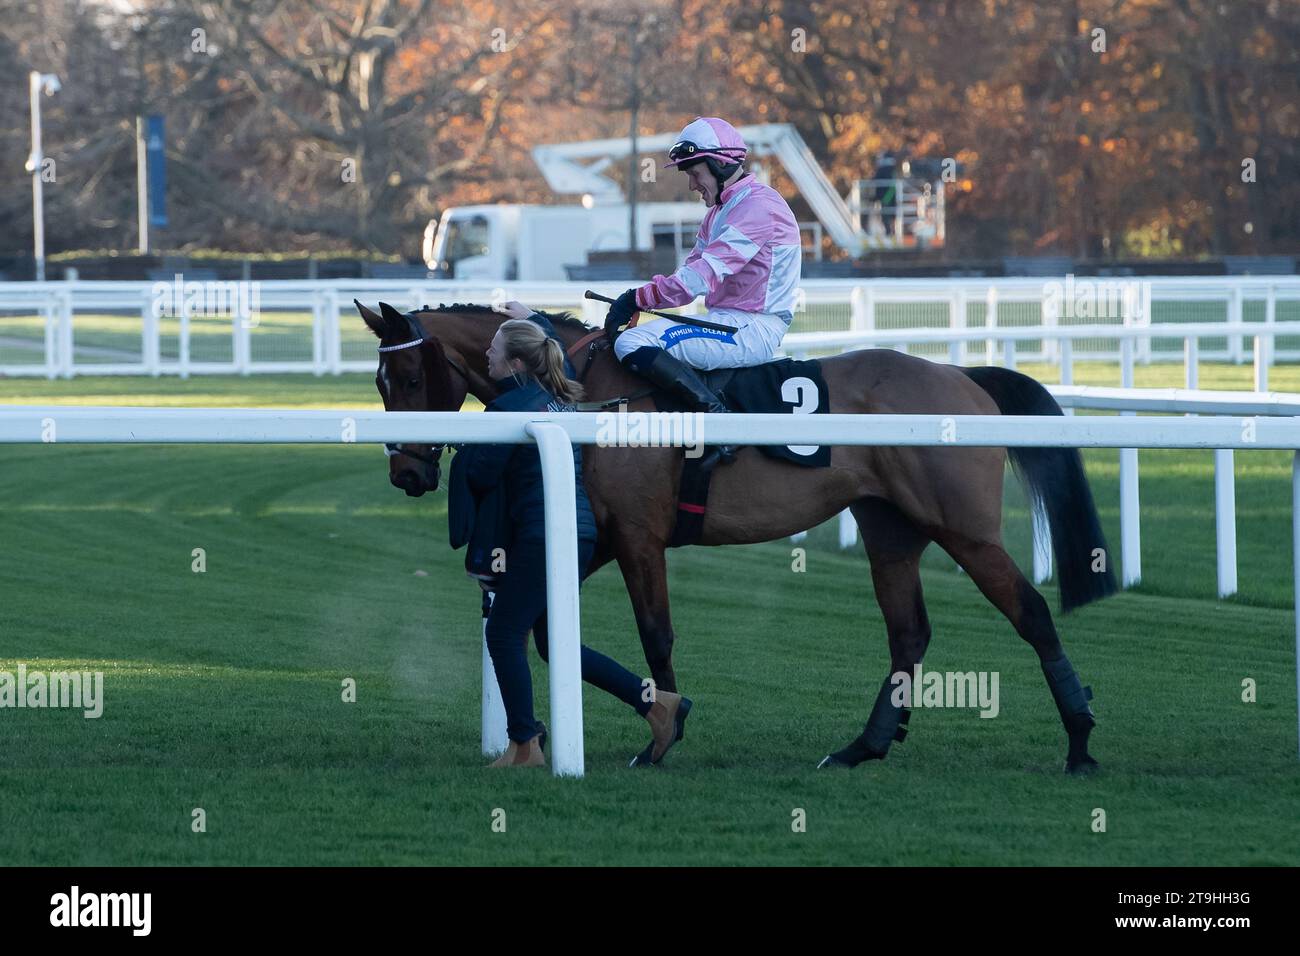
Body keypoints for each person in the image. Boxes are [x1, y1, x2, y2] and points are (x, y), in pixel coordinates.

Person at [454, 312, 691, 767]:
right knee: (553, 642)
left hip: (540, 537)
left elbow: (482, 474)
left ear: (517, 364)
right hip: (576, 534)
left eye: (495, 350)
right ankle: (656, 704)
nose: (486, 352)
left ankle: (525, 744)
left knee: (504, 634)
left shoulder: (507, 409)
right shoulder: (561, 402)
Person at [602, 117, 803, 459]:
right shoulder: (721, 211)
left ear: (721, 165)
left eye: (696, 174)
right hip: (727, 320)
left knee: (633, 341)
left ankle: (717, 421)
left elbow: (699, 279)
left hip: (752, 327)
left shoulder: (758, 207)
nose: (693, 184)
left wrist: (636, 298)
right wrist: (641, 300)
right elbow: (687, 275)